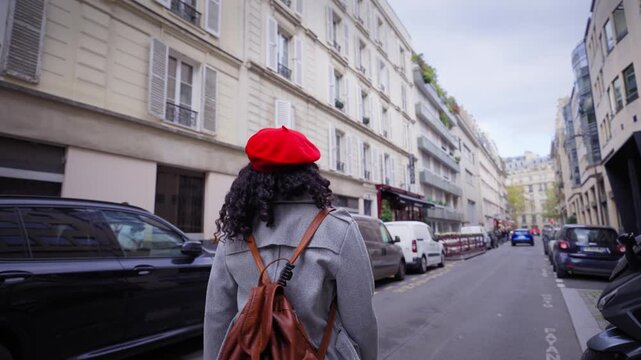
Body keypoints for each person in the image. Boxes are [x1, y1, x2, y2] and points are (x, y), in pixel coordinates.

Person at [204, 126, 378, 360]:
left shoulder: (236, 231)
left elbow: (217, 315)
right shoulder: (338, 229)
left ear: (251, 176)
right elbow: (361, 319)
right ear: (308, 174)